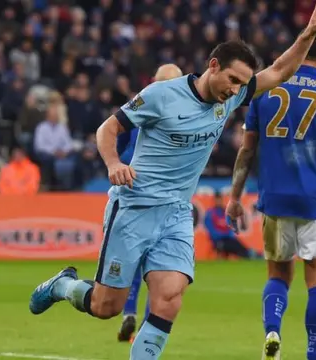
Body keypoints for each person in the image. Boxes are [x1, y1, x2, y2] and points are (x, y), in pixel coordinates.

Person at [29, 2, 316, 359]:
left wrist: (309, 33)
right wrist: (113, 163)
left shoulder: (230, 100)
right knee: (106, 305)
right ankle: (63, 285)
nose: (236, 91)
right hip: (135, 208)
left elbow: (280, 71)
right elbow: (107, 128)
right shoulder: (162, 95)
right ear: (213, 66)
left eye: (243, 85)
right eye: (232, 80)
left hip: (176, 214)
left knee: (169, 298)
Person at [227, 29, 316, 360]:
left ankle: (273, 330)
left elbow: (246, 151)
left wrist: (234, 197)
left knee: (278, 274)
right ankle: (314, 356)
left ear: (297, 48)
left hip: (275, 200)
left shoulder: (264, 90)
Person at [117, 63, 184, 343]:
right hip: (165, 199)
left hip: (133, 193)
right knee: (159, 271)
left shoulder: (135, 111)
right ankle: (144, 323)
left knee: (133, 262)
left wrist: (119, 167)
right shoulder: (186, 117)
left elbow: (120, 151)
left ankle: (129, 313)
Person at [204, 191, 260, 259]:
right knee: (234, 246)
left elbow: (231, 229)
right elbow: (213, 232)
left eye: (220, 199)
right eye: (217, 200)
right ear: (214, 201)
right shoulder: (210, 213)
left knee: (238, 243)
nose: (218, 201)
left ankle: (250, 253)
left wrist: (228, 234)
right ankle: (250, 254)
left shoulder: (226, 212)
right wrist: (225, 235)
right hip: (218, 241)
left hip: (229, 239)